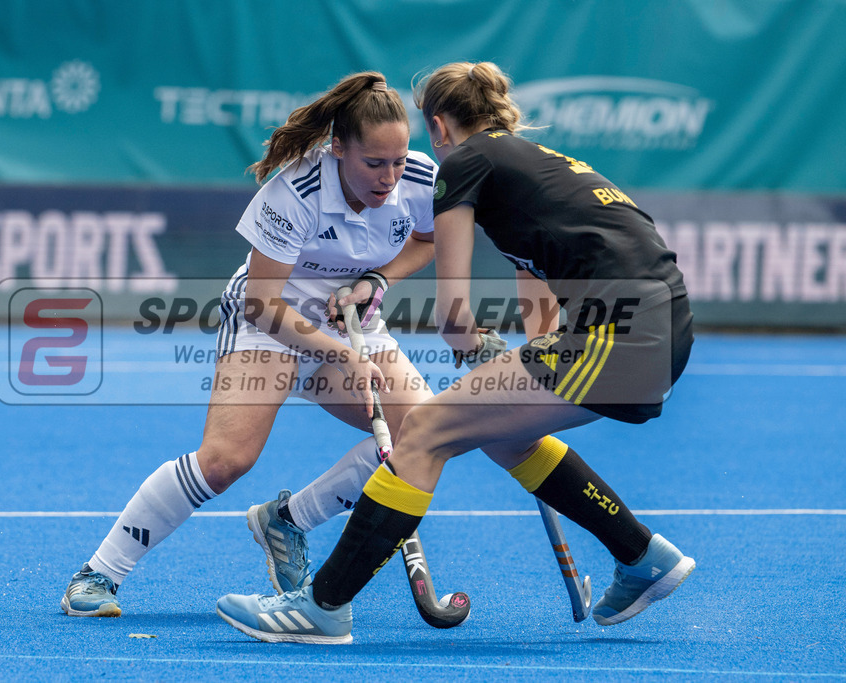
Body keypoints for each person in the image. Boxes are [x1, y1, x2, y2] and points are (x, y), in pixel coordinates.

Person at [217, 61, 697, 644]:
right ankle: (641, 555)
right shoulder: (531, 167)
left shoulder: (464, 166)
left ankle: (321, 608)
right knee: (506, 431)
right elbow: (538, 299)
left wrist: (476, 346)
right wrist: (514, 360)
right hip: (661, 327)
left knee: (422, 431)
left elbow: (453, 315)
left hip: (618, 333)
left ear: (438, 127)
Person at [61, 71, 445, 617]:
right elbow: (263, 302)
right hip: (270, 317)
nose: (388, 178)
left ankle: (286, 522)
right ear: (338, 149)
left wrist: (378, 280)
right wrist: (340, 354)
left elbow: (427, 242)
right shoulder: (296, 190)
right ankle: (98, 573)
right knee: (225, 461)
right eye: (373, 163)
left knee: (423, 432)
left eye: (398, 161)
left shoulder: (419, 180)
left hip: (348, 318)